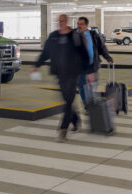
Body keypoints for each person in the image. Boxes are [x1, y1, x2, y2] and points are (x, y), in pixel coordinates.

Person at [31, 13, 88, 141]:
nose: (60, 23)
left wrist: (88, 71)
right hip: (60, 74)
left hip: (73, 73)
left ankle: (63, 129)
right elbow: (45, 53)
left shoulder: (75, 35)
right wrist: (36, 65)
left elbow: (84, 54)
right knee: (66, 100)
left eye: (62, 21)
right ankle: (76, 119)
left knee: (68, 101)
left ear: (66, 21)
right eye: (58, 21)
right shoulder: (53, 36)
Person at [76, 16, 113, 107]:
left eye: (81, 24)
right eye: (78, 24)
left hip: (92, 65)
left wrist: (108, 57)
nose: (79, 26)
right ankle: (87, 105)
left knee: (93, 85)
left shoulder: (94, 35)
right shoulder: (74, 35)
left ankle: (92, 103)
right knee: (81, 85)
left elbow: (102, 47)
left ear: (86, 25)